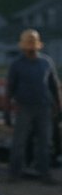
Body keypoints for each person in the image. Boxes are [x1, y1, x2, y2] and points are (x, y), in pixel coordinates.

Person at [6, 29, 62, 183]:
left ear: (37, 46)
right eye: (28, 47)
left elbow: (54, 85)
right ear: (23, 48)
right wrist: (7, 110)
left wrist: (58, 105)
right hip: (24, 107)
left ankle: (44, 173)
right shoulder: (17, 65)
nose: (30, 50)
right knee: (19, 142)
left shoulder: (46, 62)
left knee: (45, 142)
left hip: (43, 107)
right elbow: (10, 88)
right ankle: (14, 173)